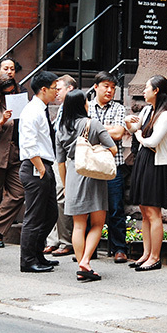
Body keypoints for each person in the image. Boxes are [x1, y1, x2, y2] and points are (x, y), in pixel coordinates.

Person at [57, 90, 117, 281]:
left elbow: (60, 161)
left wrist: (66, 184)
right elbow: (113, 149)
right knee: (98, 223)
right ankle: (85, 262)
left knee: (78, 225)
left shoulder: (61, 128)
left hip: (74, 175)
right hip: (93, 175)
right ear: (83, 104)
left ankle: (82, 265)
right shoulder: (92, 124)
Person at [125, 75, 167, 272]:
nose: (143, 91)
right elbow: (134, 128)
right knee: (144, 211)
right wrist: (129, 122)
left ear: (156, 91)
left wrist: (137, 134)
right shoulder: (147, 110)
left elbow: (152, 141)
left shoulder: (166, 115)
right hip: (143, 161)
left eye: (147, 88)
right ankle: (146, 254)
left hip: (156, 164)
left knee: (154, 212)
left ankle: (155, 257)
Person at [18, 71, 60, 273]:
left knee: (50, 214)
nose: (57, 92)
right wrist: (41, 168)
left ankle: (38, 254)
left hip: (44, 165)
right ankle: (28, 260)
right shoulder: (32, 110)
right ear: (43, 89)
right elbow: (28, 143)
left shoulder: (41, 109)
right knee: (35, 216)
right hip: (36, 166)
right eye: (54, 88)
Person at [88, 71, 128, 263]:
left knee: (116, 208)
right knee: (91, 207)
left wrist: (96, 130)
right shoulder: (87, 107)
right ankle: (90, 249)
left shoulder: (119, 108)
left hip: (114, 167)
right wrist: (107, 130)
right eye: (106, 86)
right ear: (96, 87)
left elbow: (119, 133)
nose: (110, 90)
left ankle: (119, 248)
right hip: (91, 166)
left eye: (113, 87)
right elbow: (82, 132)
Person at [0, 70, 25, 249]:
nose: (11, 94)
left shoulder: (20, 102)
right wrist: (1, 121)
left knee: (19, 192)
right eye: (7, 92)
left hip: (16, 155)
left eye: (13, 91)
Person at [44, 74, 76, 257]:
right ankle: (53, 240)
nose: (56, 92)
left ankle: (65, 241)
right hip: (56, 157)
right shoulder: (60, 109)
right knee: (54, 197)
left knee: (61, 197)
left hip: (67, 159)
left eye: (60, 88)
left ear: (69, 89)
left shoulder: (75, 108)